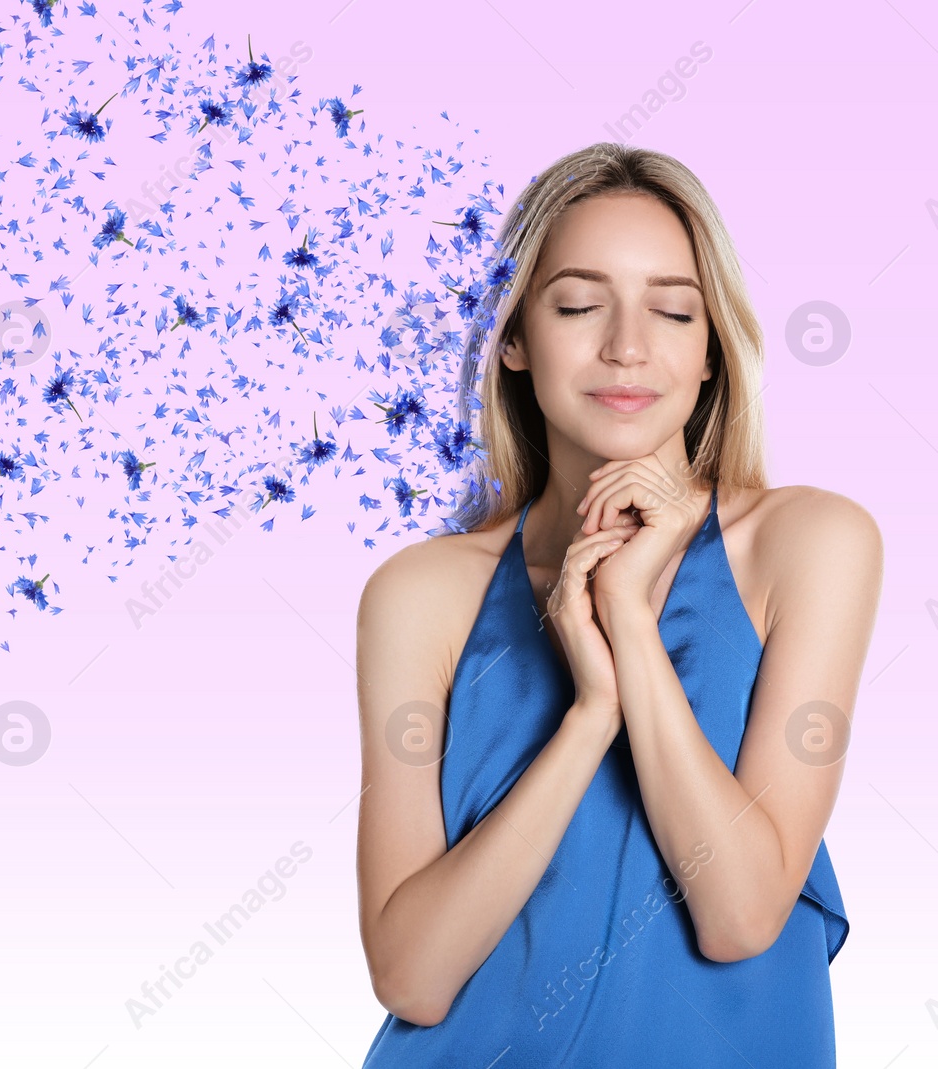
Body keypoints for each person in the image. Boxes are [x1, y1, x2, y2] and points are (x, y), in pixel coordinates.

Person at [355, 141, 882, 1067]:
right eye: (578, 304)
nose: (627, 346)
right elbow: (411, 974)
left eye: (674, 309)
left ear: (713, 347)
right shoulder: (423, 592)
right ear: (514, 338)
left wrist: (630, 626)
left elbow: (741, 912)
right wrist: (590, 714)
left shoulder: (809, 544)